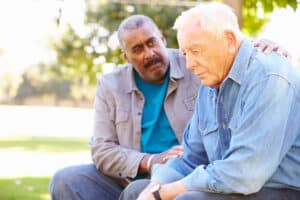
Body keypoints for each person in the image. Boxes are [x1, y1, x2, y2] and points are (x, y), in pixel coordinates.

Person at [49, 14, 289, 200]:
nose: (149, 53)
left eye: (152, 43)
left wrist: (259, 47)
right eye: (138, 49)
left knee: (139, 191)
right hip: (133, 172)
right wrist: (150, 161)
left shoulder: (195, 63)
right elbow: (101, 150)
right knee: (65, 179)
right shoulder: (110, 85)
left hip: (183, 174)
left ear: (163, 40)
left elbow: (228, 52)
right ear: (126, 57)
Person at [120, 3, 300, 200]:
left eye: (196, 51)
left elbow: (247, 173)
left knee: (184, 199)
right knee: (136, 191)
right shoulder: (210, 84)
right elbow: (190, 158)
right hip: (229, 185)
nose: (189, 65)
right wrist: (155, 187)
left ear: (229, 40)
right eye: (185, 54)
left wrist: (167, 192)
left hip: (277, 189)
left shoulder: (269, 76)